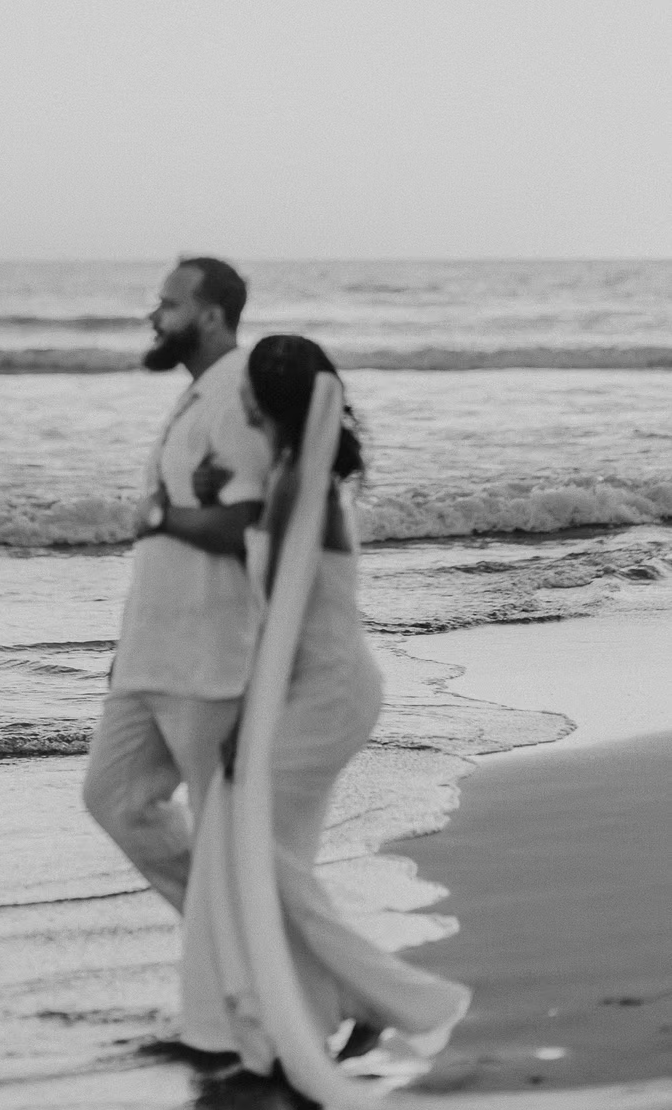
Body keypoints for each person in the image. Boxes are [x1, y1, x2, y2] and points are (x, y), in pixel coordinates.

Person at [180, 335, 470, 1073]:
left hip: (327, 692)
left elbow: (272, 612)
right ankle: (320, 1005)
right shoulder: (297, 477)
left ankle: (393, 996)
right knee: (266, 856)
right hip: (323, 686)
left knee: (262, 856)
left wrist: (247, 718)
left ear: (260, 401)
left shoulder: (295, 483)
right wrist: (222, 502)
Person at [83, 257, 272, 914]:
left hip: (209, 658)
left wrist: (162, 514)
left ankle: (274, 972)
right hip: (152, 654)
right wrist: (127, 645)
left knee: (230, 833)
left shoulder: (241, 394)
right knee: (114, 796)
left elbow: (250, 522)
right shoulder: (197, 394)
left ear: (211, 314)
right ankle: (234, 944)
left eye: (167, 304)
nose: (153, 317)